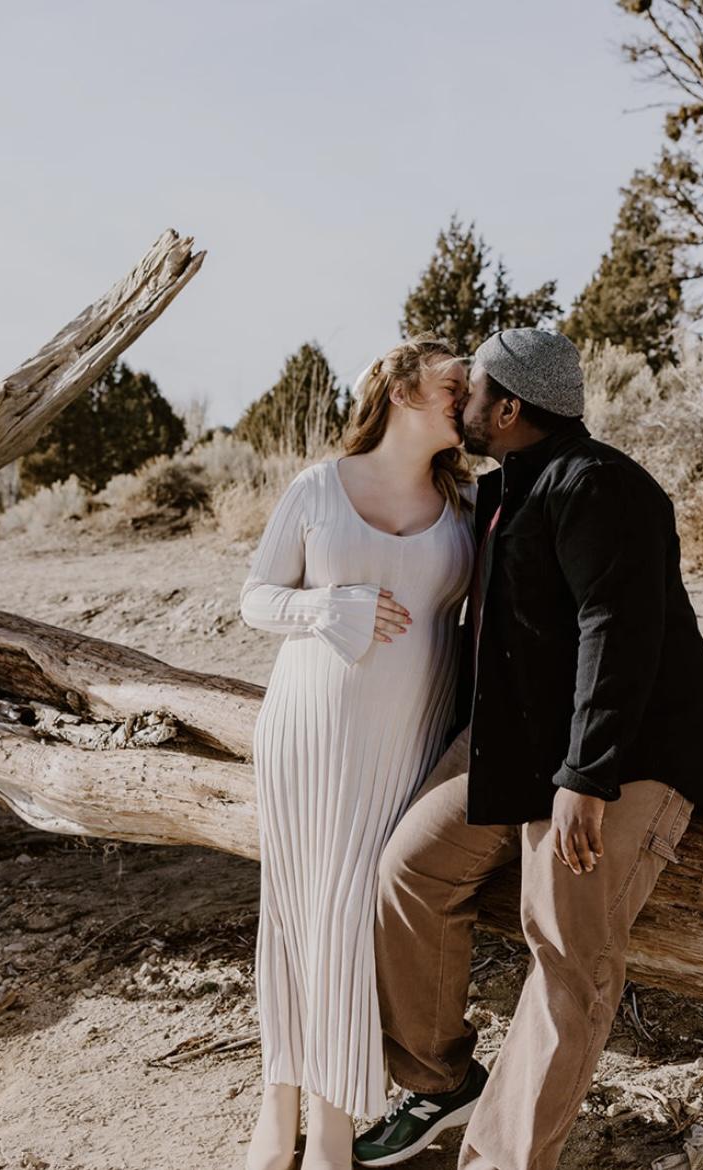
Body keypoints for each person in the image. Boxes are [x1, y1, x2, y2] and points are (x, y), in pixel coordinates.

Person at [354, 328, 703, 1170]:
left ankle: (502, 1159)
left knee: (566, 953)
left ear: (510, 408)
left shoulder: (602, 485)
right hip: (519, 744)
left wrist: (586, 777)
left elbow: (617, 633)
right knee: (409, 872)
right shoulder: (505, 489)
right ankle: (441, 1082)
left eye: (474, 391)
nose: (462, 403)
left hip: (624, 757)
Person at [238, 336, 476, 1170]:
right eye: (454, 386)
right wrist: (324, 607)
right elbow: (255, 598)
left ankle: (332, 1125)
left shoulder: (466, 503)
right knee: (294, 918)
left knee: (348, 923)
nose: (468, 400)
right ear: (403, 391)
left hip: (403, 741)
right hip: (304, 732)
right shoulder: (317, 488)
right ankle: (279, 1107)